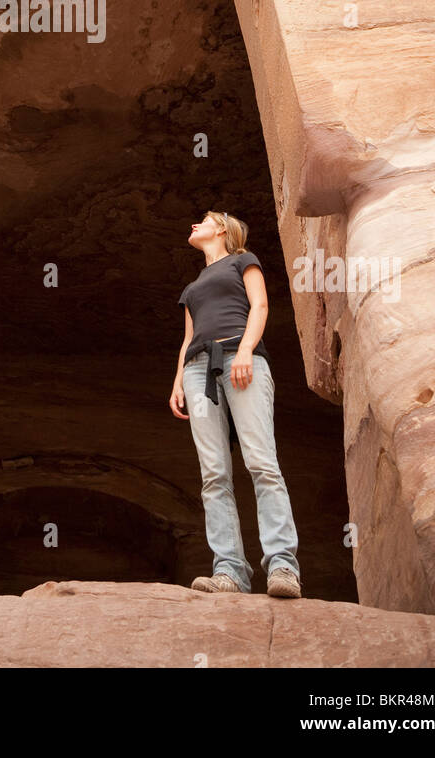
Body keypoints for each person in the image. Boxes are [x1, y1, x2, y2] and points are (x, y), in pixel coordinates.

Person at [169, 209, 302, 598]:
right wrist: (178, 381)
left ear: (222, 229)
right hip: (198, 369)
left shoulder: (244, 260)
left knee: (261, 461)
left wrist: (245, 350)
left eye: (203, 219)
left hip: (240, 358)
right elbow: (188, 337)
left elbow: (259, 307)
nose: (194, 224)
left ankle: (282, 566)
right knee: (213, 473)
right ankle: (229, 572)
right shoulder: (193, 286)